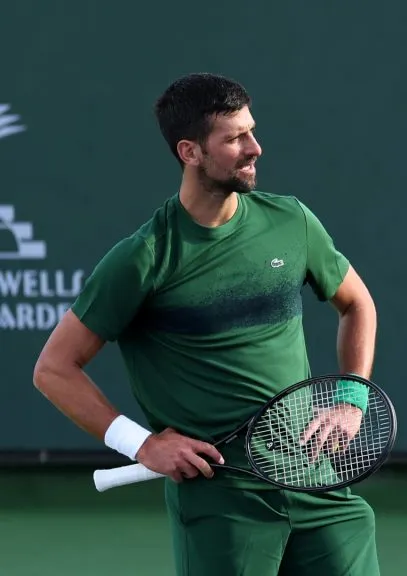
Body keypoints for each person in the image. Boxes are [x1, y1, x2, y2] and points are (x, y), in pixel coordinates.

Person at [32, 73, 381, 576]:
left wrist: (352, 398)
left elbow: (358, 304)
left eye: (252, 131)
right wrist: (143, 444)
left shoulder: (293, 221)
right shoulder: (143, 258)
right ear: (190, 152)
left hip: (317, 484)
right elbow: (54, 368)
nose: (254, 148)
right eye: (235, 138)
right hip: (222, 504)